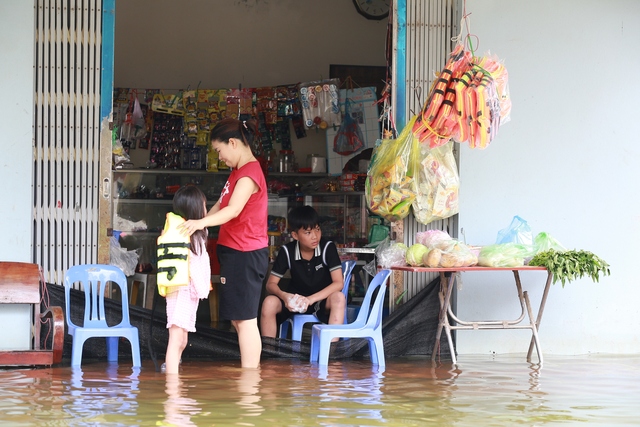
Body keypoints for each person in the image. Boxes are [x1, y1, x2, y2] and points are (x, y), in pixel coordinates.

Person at [179, 118, 268, 368]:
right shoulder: (237, 172)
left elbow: (233, 211)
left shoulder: (250, 173)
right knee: (239, 320)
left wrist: (199, 224)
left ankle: (250, 380)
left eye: (219, 151)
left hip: (246, 253)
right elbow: (220, 205)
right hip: (235, 253)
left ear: (233, 143)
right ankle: (249, 378)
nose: (220, 158)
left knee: (246, 320)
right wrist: (200, 225)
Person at [260, 205, 345, 338]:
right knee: (269, 303)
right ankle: (269, 351)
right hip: (294, 301)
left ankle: (331, 350)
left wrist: (310, 300)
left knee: (339, 298)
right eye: (308, 232)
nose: (315, 236)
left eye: (317, 229)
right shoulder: (287, 251)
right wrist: (285, 297)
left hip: (321, 300)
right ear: (295, 235)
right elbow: (270, 284)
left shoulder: (327, 248)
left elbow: (338, 283)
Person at [163, 185, 212, 375]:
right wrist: (203, 290)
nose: (206, 211)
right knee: (176, 339)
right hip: (180, 292)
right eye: (204, 207)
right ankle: (172, 386)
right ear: (195, 210)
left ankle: (174, 377)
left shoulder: (194, 234)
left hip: (185, 293)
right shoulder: (188, 236)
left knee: (181, 340)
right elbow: (196, 267)